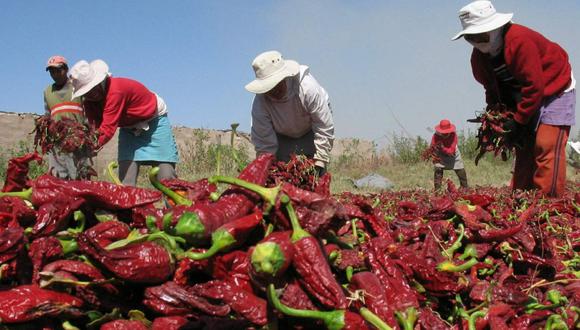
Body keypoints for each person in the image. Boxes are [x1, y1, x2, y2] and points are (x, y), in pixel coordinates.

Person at [452, 1, 576, 197]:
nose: (477, 41)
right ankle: (522, 197)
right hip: (524, 95)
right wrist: (499, 116)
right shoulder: (479, 58)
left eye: (480, 35)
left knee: (546, 143)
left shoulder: (519, 41)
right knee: (524, 145)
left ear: (494, 28)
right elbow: (492, 89)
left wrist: (519, 120)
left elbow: (534, 86)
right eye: (471, 37)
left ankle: (549, 202)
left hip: (554, 87)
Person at [69, 59, 179, 186]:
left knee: (166, 177)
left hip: (154, 122)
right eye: (85, 93)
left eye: (90, 90)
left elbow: (107, 129)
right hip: (129, 129)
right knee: (126, 182)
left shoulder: (116, 91)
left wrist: (89, 147)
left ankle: (173, 207)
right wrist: (82, 145)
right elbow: (95, 129)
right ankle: (129, 207)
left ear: (98, 83)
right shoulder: (89, 101)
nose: (89, 95)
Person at [246, 50, 334, 175]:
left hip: (311, 128)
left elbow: (323, 124)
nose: (274, 90)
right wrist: (266, 169)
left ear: (285, 77)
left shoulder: (307, 87)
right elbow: (264, 143)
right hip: (282, 134)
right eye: (269, 88)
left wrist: (320, 159)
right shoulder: (260, 104)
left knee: (314, 176)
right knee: (284, 174)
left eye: (277, 85)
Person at [43, 55, 92, 179]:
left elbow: (90, 113)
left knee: (81, 175)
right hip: (57, 142)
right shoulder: (47, 91)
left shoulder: (77, 85)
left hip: (78, 140)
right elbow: (47, 116)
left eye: (58, 70)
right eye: (52, 71)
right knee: (58, 177)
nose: (55, 74)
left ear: (66, 69)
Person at [430, 119, 468, 191]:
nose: (444, 134)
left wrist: (442, 147)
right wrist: (433, 154)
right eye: (443, 133)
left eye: (446, 133)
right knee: (438, 170)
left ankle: (465, 187)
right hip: (440, 154)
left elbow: (451, 151)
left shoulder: (453, 136)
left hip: (453, 154)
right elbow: (432, 146)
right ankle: (437, 190)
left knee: (460, 169)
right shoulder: (436, 136)